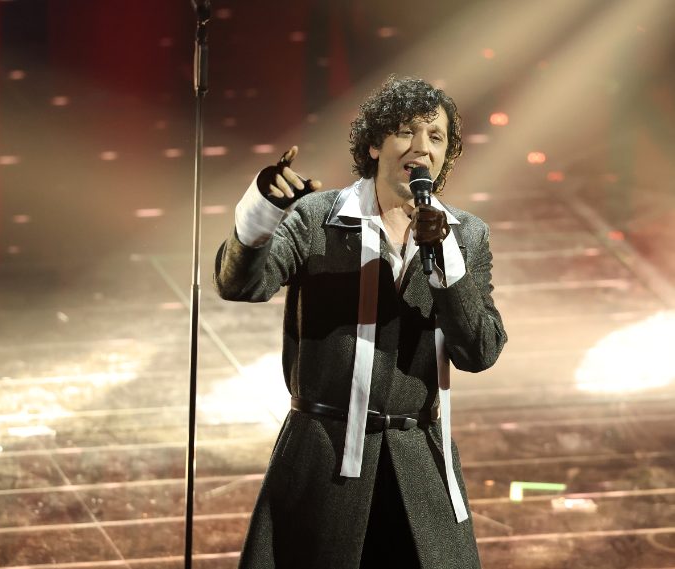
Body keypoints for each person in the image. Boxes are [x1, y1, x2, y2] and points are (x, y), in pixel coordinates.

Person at [214, 75, 507, 569]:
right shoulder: (317, 218)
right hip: (323, 459)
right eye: (406, 132)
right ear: (374, 145)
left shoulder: (466, 235)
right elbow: (241, 284)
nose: (422, 147)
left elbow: (479, 351)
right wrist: (262, 212)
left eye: (435, 137)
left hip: (419, 465)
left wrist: (446, 262)